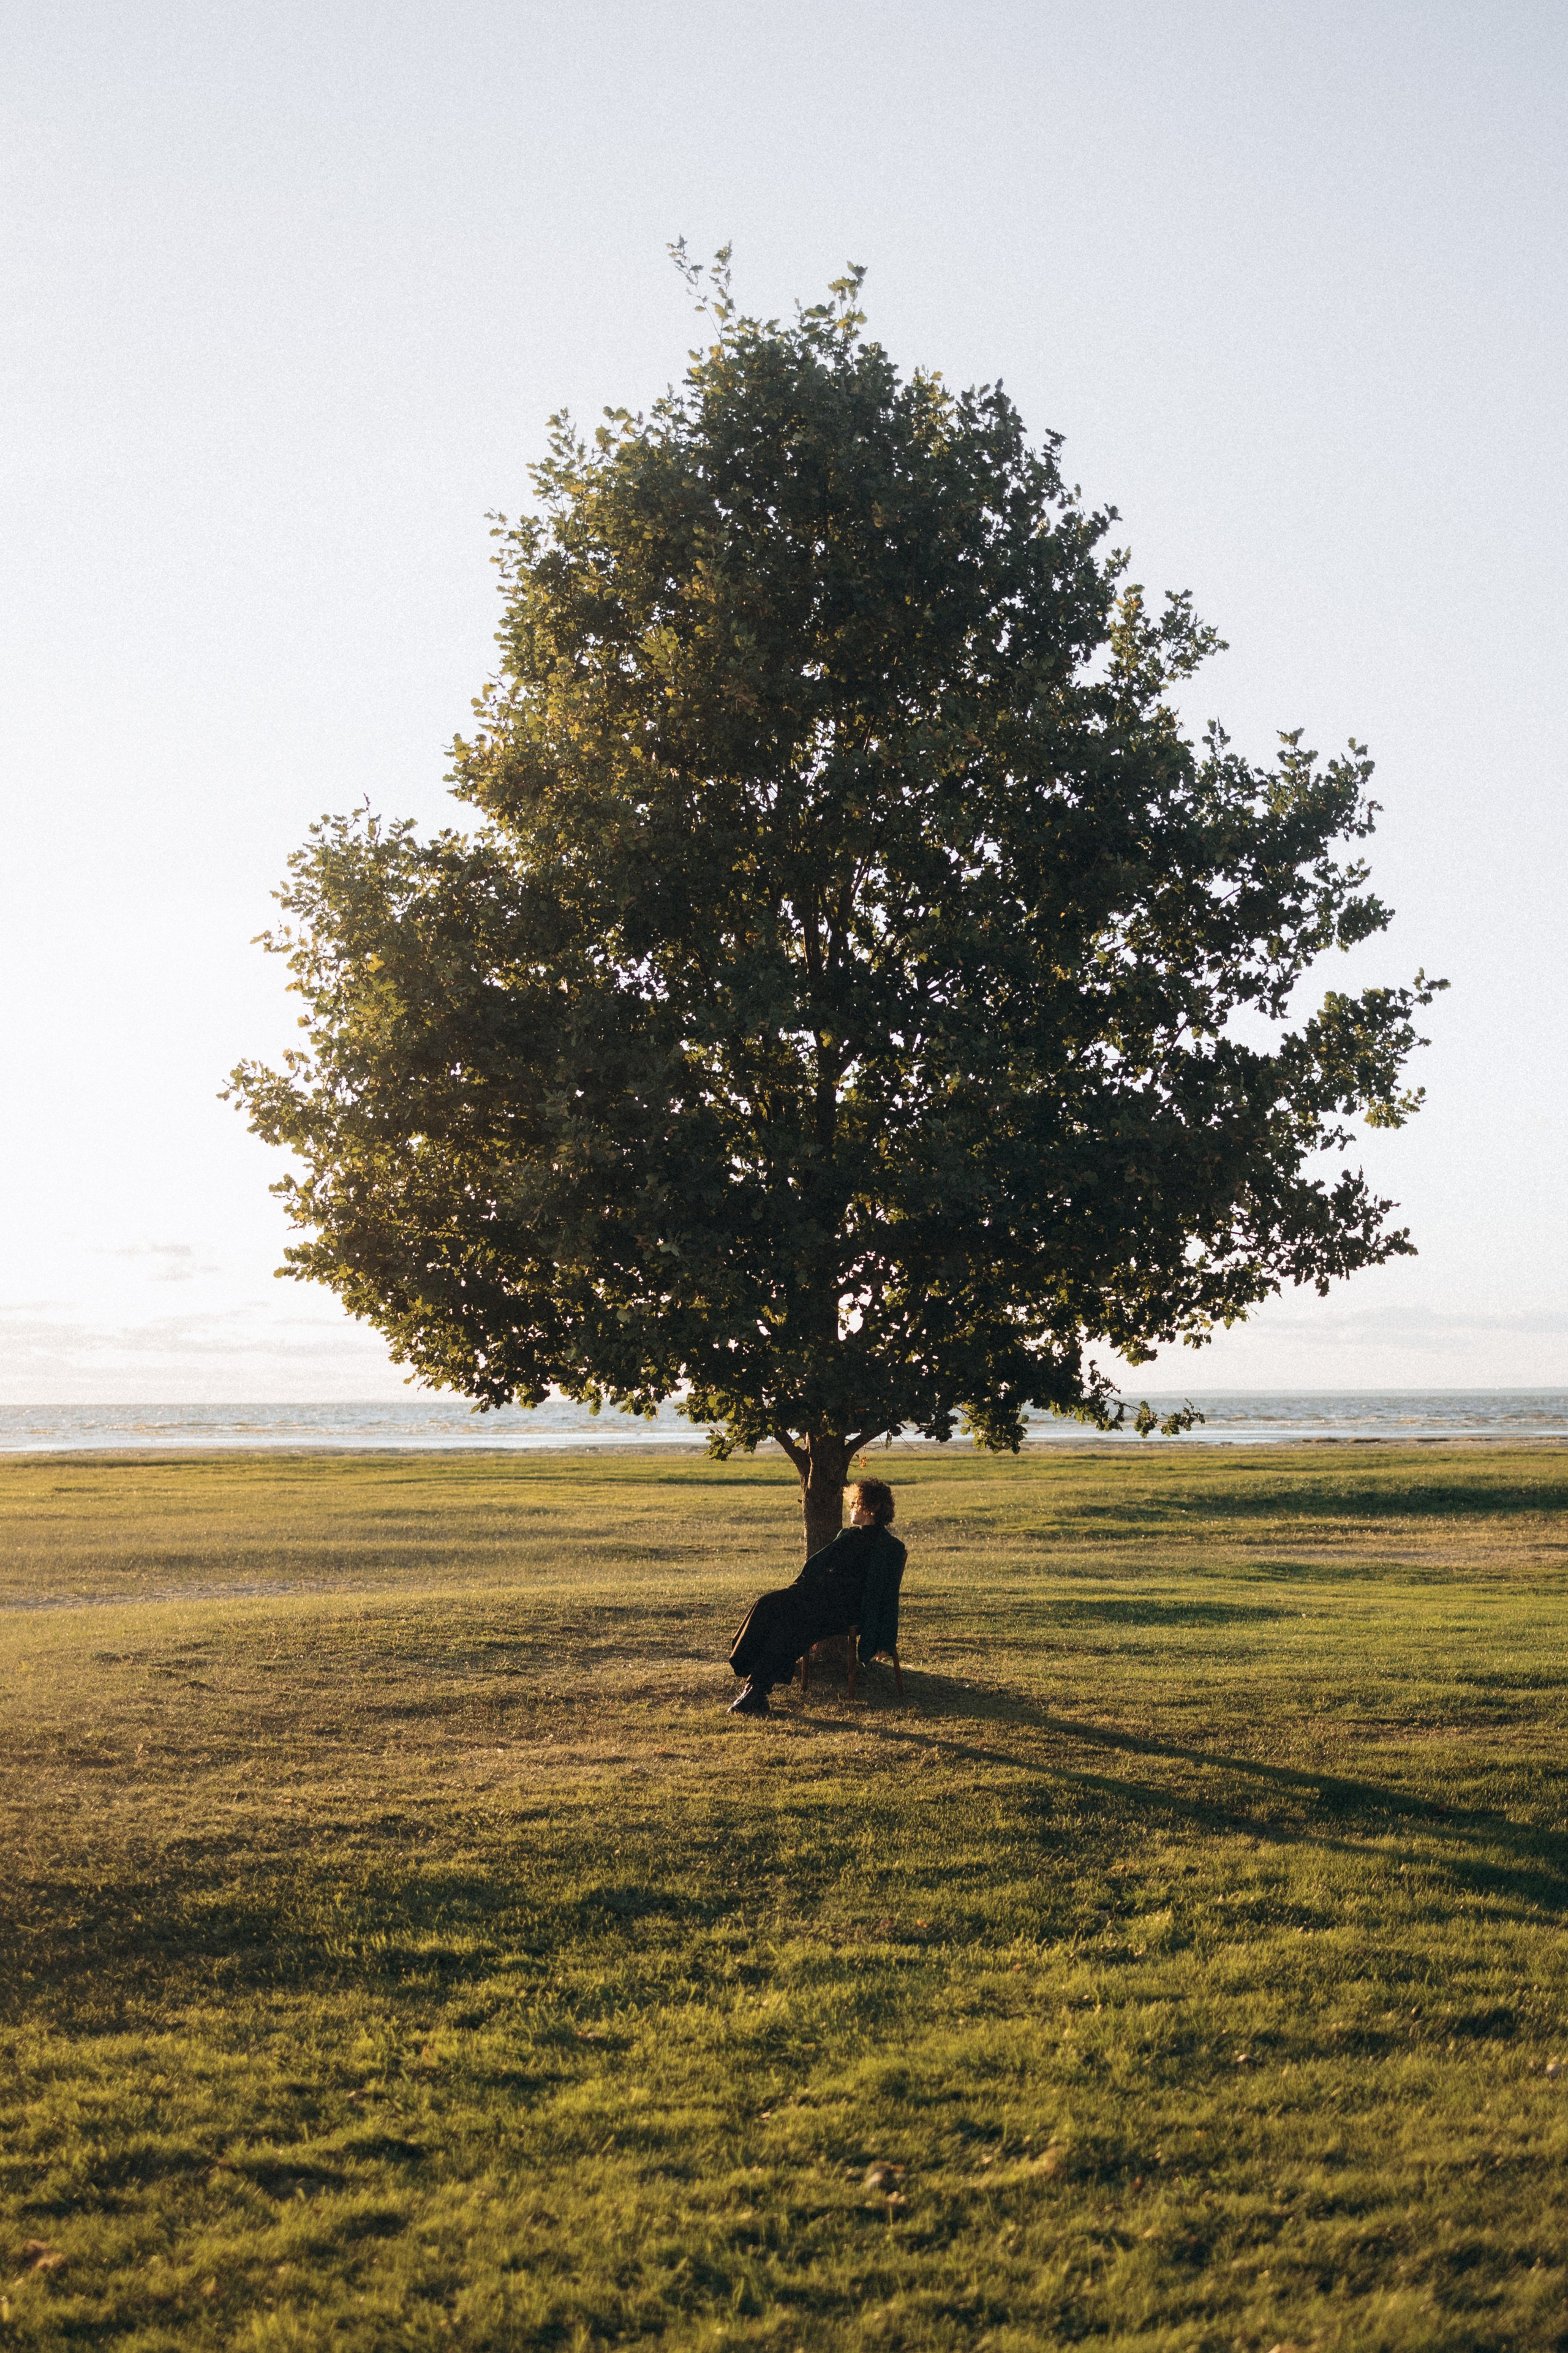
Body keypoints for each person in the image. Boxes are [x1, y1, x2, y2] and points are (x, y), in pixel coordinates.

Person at [727, 1478, 906, 1717]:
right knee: (767, 1604)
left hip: (848, 1608)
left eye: (856, 1504)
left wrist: (886, 1639)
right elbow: (817, 1566)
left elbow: (888, 1595)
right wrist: (798, 1589)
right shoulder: (848, 1535)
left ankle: (755, 1691)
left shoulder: (890, 1548)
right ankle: (749, 1673)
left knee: (792, 1628)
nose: (851, 1508)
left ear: (871, 1509)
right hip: (818, 1595)